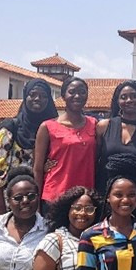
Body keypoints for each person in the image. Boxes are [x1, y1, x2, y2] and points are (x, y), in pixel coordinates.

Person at [0, 78, 58, 214]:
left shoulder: (54, 129)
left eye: (43, 96)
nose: (37, 99)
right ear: (25, 96)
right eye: (33, 94)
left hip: (40, 201)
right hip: (8, 201)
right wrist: (1, 210)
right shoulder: (11, 127)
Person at [33, 77, 97, 211]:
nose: (77, 96)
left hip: (85, 196)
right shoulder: (47, 127)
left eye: (82, 92)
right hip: (55, 196)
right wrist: (37, 204)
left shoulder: (95, 124)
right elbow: (38, 168)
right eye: (72, 92)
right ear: (63, 96)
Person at [96, 80, 136, 196]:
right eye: (124, 97)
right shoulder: (103, 126)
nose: (129, 100)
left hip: (132, 195)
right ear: (118, 101)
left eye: (134, 96)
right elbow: (94, 161)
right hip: (104, 192)